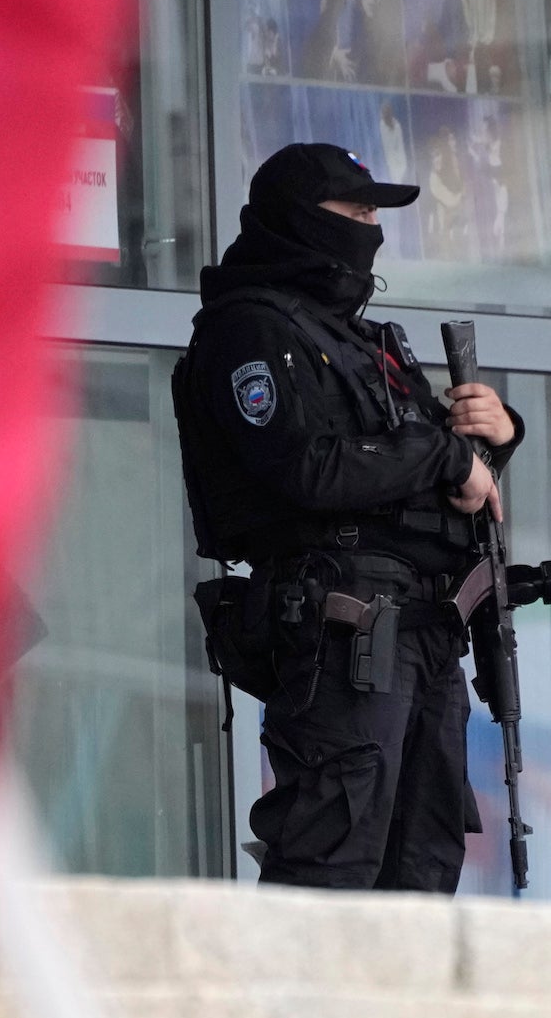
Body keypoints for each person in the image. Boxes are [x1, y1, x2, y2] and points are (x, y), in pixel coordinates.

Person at [173, 143, 525, 892]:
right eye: (356, 210)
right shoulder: (251, 329)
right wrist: (444, 457)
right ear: (301, 218)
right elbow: (306, 466)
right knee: (330, 865)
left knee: (422, 871)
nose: (371, 227)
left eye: (375, 213)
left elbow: (437, 470)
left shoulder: (366, 342)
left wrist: (495, 438)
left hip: (425, 630)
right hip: (346, 631)